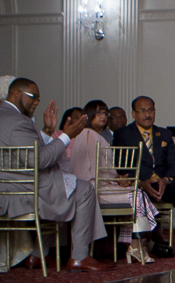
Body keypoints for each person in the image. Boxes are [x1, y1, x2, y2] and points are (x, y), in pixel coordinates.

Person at [0, 78, 113, 272]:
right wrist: (66, 136)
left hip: (13, 183)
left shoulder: (7, 115)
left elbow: (27, 152)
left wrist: (47, 131)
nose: (36, 102)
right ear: (16, 94)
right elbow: (39, 160)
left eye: (38, 98)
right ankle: (79, 256)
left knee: (68, 190)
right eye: (33, 97)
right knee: (85, 189)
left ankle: (38, 254)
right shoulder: (18, 120)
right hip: (26, 187)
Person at [67, 99, 160, 264]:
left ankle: (137, 244)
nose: (103, 117)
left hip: (102, 186)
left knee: (137, 195)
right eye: (98, 113)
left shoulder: (94, 135)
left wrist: (117, 179)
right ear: (88, 115)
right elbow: (93, 170)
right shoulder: (88, 134)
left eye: (105, 113)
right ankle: (136, 245)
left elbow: (101, 169)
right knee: (137, 196)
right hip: (94, 189)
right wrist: (117, 179)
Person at [113, 96, 175, 260]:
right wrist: (141, 182)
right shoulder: (123, 134)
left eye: (150, 110)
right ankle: (149, 244)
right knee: (137, 194)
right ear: (134, 114)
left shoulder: (164, 134)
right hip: (139, 188)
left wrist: (166, 180)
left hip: (162, 185)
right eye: (142, 111)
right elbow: (121, 168)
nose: (147, 114)